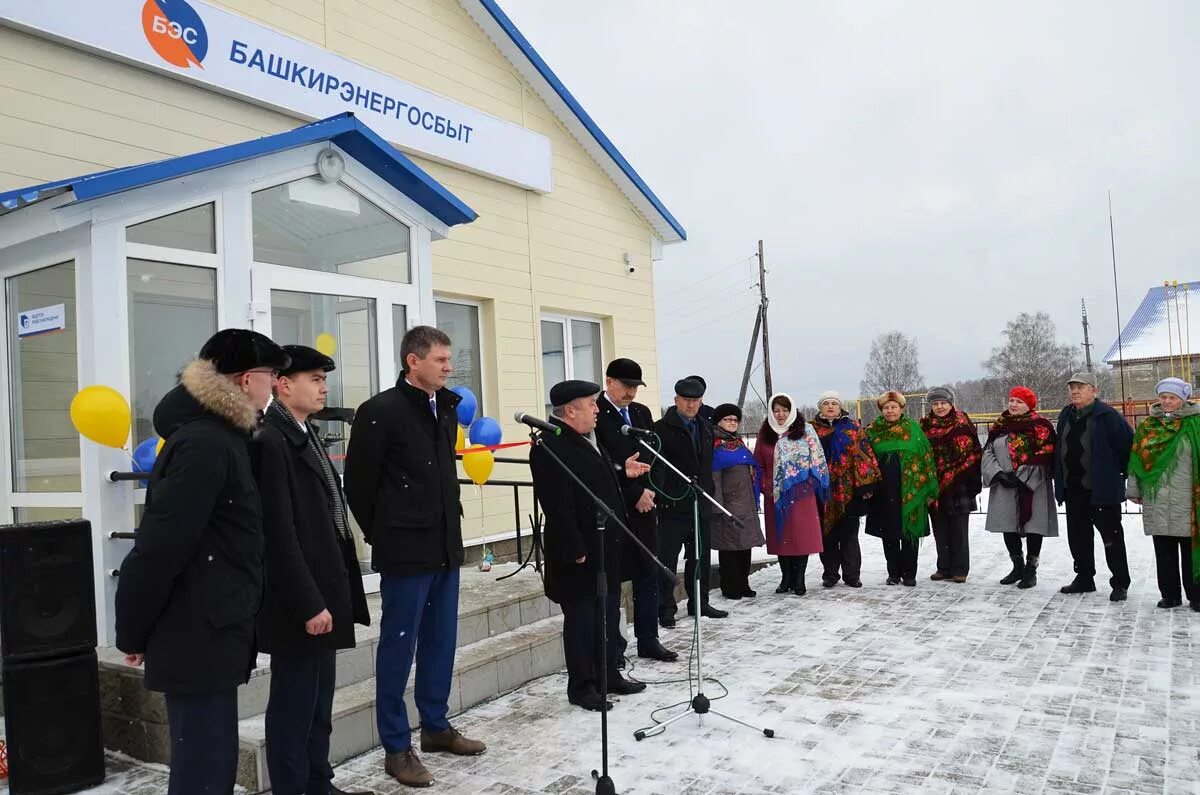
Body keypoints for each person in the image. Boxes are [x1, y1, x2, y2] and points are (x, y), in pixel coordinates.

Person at [115, 329, 289, 795]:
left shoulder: (225, 438)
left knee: (212, 761)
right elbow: (160, 548)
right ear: (247, 378)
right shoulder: (205, 444)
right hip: (197, 631)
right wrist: (135, 628)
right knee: (203, 767)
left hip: (214, 626)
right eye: (272, 375)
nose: (275, 386)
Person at [343, 326, 485, 789]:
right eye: (441, 360)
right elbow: (359, 487)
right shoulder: (380, 412)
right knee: (399, 647)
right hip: (405, 551)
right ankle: (396, 746)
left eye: (449, 360)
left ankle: (436, 727)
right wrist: (385, 534)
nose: (449, 368)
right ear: (413, 361)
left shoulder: (444, 408)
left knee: (441, 641)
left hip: (444, 546)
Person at [252, 346, 372, 795]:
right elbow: (278, 534)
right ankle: (293, 787)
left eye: (325, 379)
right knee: (294, 705)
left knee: (319, 701)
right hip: (299, 599)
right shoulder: (271, 441)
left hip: (325, 587)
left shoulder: (306, 433)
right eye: (315, 379)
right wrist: (308, 602)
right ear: (283, 384)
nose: (324, 387)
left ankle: (319, 781)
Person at [529, 380, 652, 711]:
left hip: (606, 545)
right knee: (583, 620)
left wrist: (621, 470)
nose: (598, 409)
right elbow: (557, 504)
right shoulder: (549, 445)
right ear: (570, 411)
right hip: (580, 551)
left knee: (609, 614)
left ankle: (609, 672)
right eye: (591, 404)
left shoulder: (587, 439)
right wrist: (575, 547)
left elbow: (595, 477)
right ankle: (582, 686)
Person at [593, 358, 677, 662]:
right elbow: (600, 464)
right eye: (626, 386)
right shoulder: (596, 414)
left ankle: (648, 638)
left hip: (646, 506)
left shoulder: (640, 413)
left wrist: (652, 490)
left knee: (647, 572)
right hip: (615, 509)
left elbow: (656, 455)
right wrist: (633, 493)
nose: (631, 393)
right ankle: (613, 647)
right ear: (609, 382)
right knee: (613, 579)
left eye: (635, 387)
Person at [1054, 371, 1135, 601]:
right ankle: (1084, 578)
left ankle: (1120, 582)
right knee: (1078, 538)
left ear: (1094, 390)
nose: (1075, 391)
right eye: (1072, 388)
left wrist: (1113, 475)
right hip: (1073, 489)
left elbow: (1126, 448)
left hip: (1101, 491)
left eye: (1081, 387)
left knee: (1111, 539)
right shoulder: (1066, 415)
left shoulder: (1107, 416)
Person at [652, 377, 726, 623]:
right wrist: (664, 497)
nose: (691, 405)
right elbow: (657, 469)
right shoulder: (661, 428)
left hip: (700, 503)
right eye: (686, 400)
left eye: (695, 401)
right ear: (676, 401)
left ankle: (700, 603)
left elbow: (705, 465)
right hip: (673, 506)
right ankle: (665, 609)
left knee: (700, 558)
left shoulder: (705, 427)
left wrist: (708, 490)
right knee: (668, 559)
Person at [1128, 378, 1200, 610]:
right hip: (1157, 498)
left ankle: (1196, 595)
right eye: (1163, 397)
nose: (1167, 401)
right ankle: (1170, 595)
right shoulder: (1148, 426)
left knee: (1191, 550)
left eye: (1172, 397)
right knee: (1164, 550)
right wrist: (1134, 489)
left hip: (1189, 498)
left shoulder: (1195, 424)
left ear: (1183, 399)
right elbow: (1136, 460)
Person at [982, 387, 1058, 589]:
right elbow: (988, 451)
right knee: (1008, 525)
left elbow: (1046, 452)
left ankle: (1031, 570)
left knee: (1034, 526)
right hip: (1005, 482)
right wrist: (998, 473)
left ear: (1029, 405)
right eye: (1012, 400)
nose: (1013, 405)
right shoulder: (1000, 426)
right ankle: (1017, 566)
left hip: (1033, 485)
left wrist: (1023, 476)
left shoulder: (1041, 426)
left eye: (1019, 402)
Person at [754, 393, 828, 595]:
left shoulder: (805, 431)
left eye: (785, 410)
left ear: (792, 410)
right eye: (776, 410)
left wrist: (810, 481)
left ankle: (799, 579)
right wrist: (764, 484)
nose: (780, 414)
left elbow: (817, 458)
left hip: (802, 492)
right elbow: (758, 462)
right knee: (781, 537)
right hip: (775, 493)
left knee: (800, 536)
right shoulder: (766, 432)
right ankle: (785, 578)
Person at [865, 391, 938, 586]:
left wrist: (929, 489)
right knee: (889, 533)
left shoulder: (913, 429)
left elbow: (926, 458)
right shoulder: (873, 431)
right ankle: (893, 573)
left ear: (901, 408)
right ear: (882, 410)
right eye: (886, 408)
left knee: (909, 532)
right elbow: (866, 460)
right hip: (884, 491)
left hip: (911, 490)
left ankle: (909, 574)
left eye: (893, 407)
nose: (890, 411)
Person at [812, 391, 881, 588]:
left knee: (850, 535)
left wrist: (866, 484)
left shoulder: (852, 429)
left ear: (840, 407)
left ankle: (852, 575)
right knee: (827, 535)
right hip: (822, 490)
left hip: (849, 489)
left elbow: (864, 456)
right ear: (820, 408)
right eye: (826, 403)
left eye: (834, 403)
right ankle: (830, 574)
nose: (831, 407)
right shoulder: (812, 431)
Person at [920, 386, 982, 583]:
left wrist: (968, 478)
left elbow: (974, 452)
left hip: (960, 483)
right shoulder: (925, 426)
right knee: (940, 528)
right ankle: (943, 567)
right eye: (935, 404)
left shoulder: (962, 422)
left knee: (959, 529)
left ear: (951, 404)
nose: (939, 407)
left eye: (943, 403)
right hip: (935, 484)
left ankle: (960, 569)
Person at [710, 403, 765, 599]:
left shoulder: (738, 443)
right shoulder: (715, 446)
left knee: (744, 547)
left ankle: (743, 584)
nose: (732, 423)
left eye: (735, 419)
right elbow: (714, 479)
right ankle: (730, 586)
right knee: (730, 549)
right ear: (719, 421)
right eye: (727, 419)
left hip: (746, 504)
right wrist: (719, 507)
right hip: (728, 505)